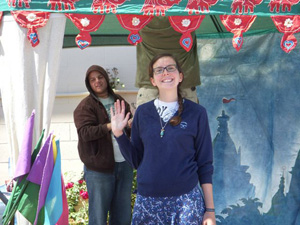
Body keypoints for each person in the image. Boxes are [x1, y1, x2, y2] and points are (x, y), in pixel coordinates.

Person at [111, 53, 216, 225]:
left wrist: (210, 211)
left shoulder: (197, 113)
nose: (165, 73)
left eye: (170, 68)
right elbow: (136, 161)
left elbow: (205, 163)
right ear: (153, 80)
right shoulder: (142, 113)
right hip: (148, 202)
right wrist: (119, 134)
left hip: (186, 202)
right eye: (159, 70)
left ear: (180, 76)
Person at [73, 65, 133, 225]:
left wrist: (131, 125)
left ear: (106, 79)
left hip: (124, 164)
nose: (97, 81)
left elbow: (128, 123)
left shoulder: (119, 100)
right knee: (98, 217)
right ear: (89, 84)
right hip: (98, 169)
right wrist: (110, 126)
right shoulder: (85, 106)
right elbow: (85, 132)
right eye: (92, 79)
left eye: (100, 77)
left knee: (123, 215)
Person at [135, 16, 200, 106]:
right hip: (186, 83)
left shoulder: (141, 15)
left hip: (149, 85)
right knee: (190, 118)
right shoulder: (188, 13)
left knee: (146, 119)